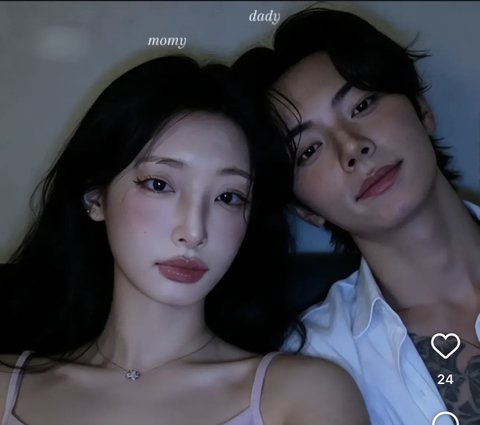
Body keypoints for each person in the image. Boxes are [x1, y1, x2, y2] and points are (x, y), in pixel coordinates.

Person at [0, 55, 369, 425]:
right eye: (159, 185)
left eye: (229, 196)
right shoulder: (6, 388)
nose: (194, 232)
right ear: (96, 197)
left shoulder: (304, 395)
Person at [233, 6, 480, 425]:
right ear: (303, 210)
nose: (352, 147)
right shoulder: (318, 360)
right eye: (309, 150)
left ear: (422, 110)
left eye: (362, 105)